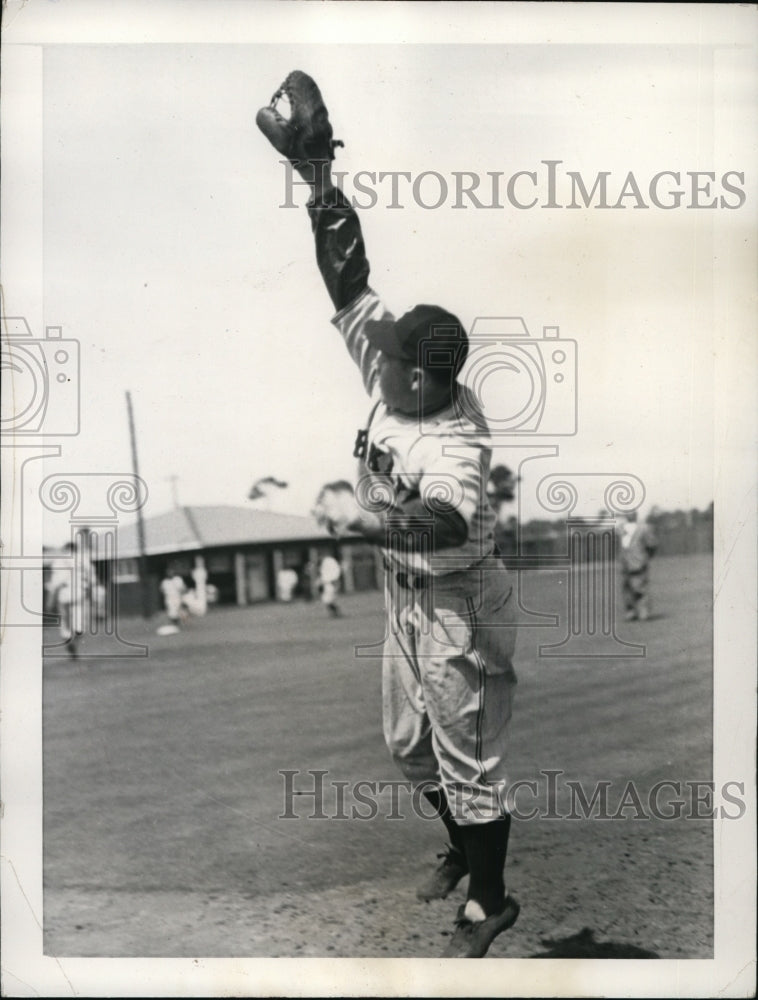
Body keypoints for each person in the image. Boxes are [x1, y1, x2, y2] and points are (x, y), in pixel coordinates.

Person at [257, 72, 520, 958]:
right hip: (405, 596)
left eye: (397, 351)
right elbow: (349, 274)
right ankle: (460, 846)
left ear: (431, 378)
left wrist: (372, 527)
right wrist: (318, 176)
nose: (378, 345)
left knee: (469, 761)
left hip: (457, 603)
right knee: (410, 749)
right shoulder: (395, 364)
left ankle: (491, 900)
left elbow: (445, 524)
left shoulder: (455, 439)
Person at [46, 539, 99, 658]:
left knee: (65, 619)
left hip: (64, 592)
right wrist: (92, 597)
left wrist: (50, 600)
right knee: (79, 622)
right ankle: (75, 637)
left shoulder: (58, 561)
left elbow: (55, 583)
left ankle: (67, 636)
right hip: (78, 591)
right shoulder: (83, 559)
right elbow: (91, 579)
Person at [617, 510, 658, 621]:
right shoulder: (621, 528)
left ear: (635, 515)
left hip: (639, 562)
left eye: (631, 513)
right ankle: (630, 612)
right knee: (626, 588)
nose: (629, 515)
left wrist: (645, 557)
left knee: (640, 587)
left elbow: (652, 544)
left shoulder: (643, 528)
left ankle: (643, 611)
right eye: (627, 512)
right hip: (625, 563)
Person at [159, 566, 187, 633]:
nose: (170, 573)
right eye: (168, 572)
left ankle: (178, 624)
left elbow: (183, 588)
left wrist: (182, 595)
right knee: (172, 612)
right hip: (169, 598)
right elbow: (161, 590)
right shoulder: (165, 582)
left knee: (177, 611)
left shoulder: (178, 579)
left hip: (177, 597)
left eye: (171, 572)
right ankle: (174, 625)